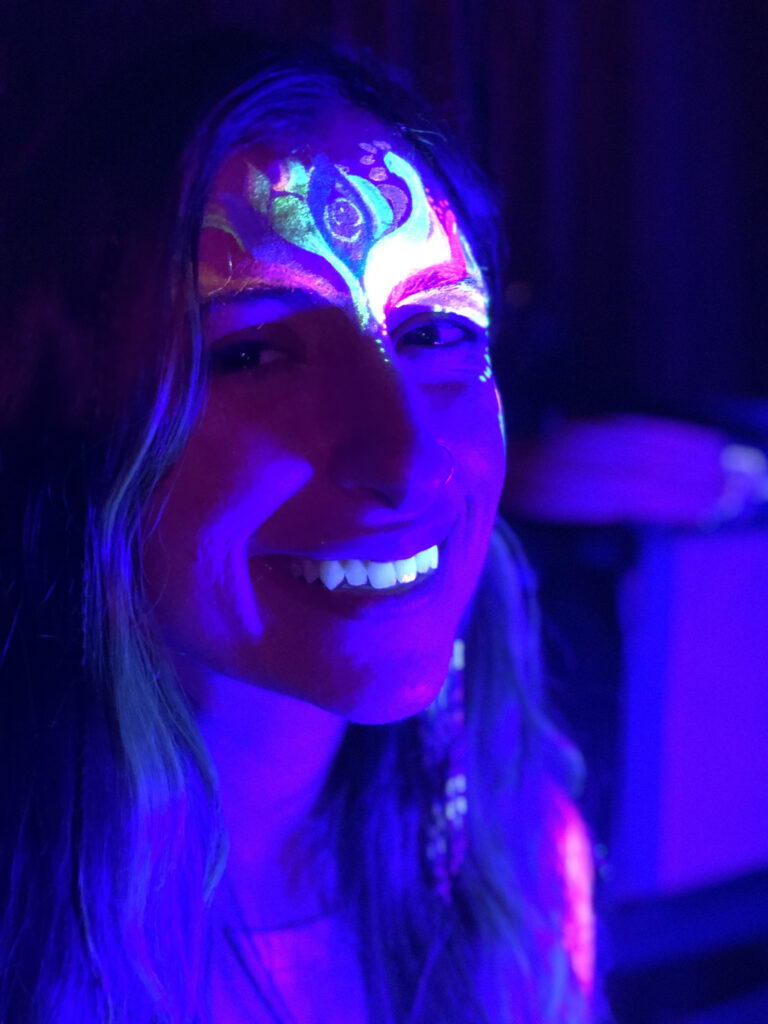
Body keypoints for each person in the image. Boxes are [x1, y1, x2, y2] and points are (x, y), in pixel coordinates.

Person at [0, 33, 594, 1023]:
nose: (405, 461)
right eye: (257, 353)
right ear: (72, 420)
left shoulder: (524, 861)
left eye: (434, 331)